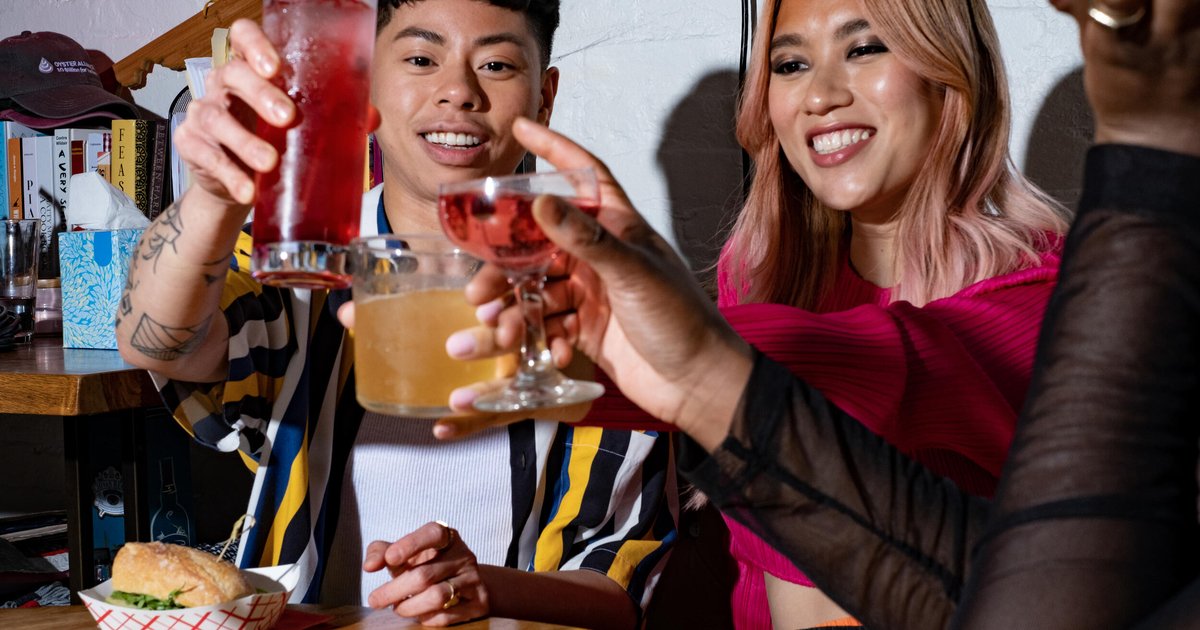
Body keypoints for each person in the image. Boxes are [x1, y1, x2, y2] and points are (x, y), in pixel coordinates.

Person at [459, 0, 1200, 626]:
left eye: (865, 48)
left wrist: (619, 344)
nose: (819, 95)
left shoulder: (1052, 295)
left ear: (949, 72)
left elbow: (887, 363)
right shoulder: (758, 281)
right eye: (790, 65)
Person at [114, 1, 675, 628]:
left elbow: (619, 587)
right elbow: (155, 343)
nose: (458, 91)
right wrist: (216, 194)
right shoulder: (303, 256)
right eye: (421, 59)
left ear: (544, 97)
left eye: (495, 64)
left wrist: (486, 589)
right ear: (367, 85)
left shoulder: (601, 294)